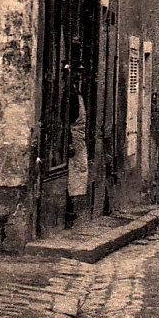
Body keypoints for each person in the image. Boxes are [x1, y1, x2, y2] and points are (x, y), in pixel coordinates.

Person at [67, 73, 89, 226]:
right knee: (74, 171)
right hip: (74, 140)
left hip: (79, 139)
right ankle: (69, 208)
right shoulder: (73, 95)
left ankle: (71, 206)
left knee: (78, 171)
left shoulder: (78, 94)